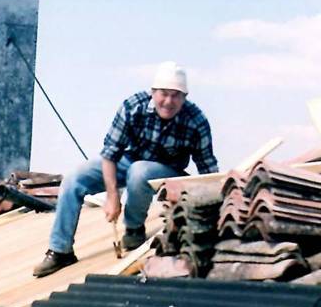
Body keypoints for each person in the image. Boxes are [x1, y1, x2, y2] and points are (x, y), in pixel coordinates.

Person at [33, 61, 218, 277]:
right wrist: (113, 197)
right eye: (163, 94)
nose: (168, 101)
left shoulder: (196, 121)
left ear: (185, 97)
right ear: (153, 92)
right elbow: (110, 154)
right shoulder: (133, 107)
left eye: (176, 95)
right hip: (127, 161)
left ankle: (133, 230)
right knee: (75, 178)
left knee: (140, 172)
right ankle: (60, 250)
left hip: (167, 172)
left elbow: (208, 170)